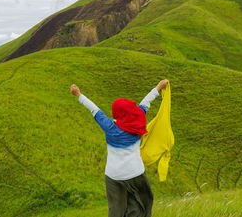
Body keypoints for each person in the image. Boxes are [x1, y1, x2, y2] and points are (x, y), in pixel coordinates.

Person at [70, 79, 169, 217]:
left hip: (113, 175)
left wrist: (78, 94)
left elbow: (94, 109)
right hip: (135, 173)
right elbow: (146, 102)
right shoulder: (138, 119)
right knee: (142, 203)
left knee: (116, 210)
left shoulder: (109, 126)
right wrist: (159, 87)